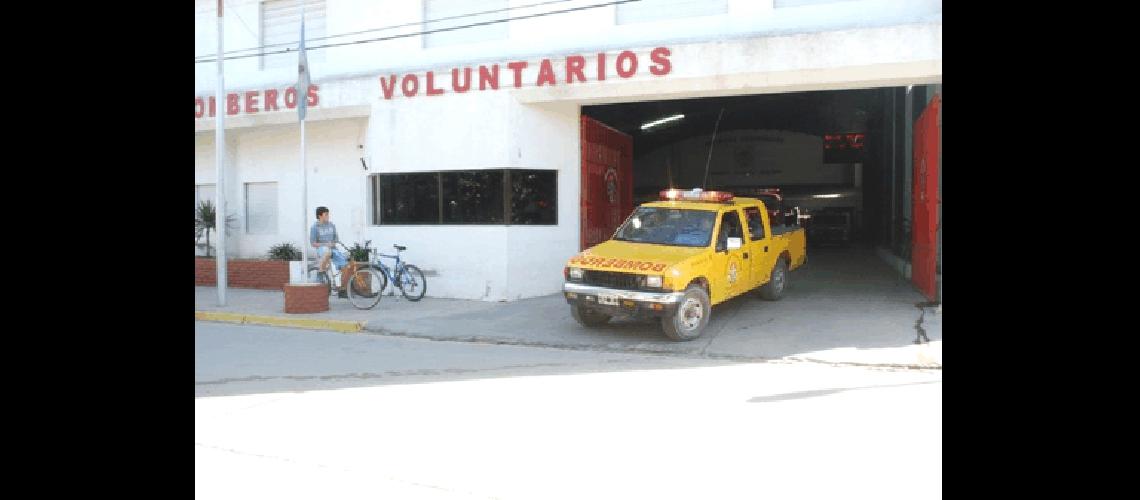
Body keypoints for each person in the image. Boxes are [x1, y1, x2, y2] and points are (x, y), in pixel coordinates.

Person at [310, 206, 348, 290]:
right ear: (320, 216)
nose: (328, 216)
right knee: (328, 251)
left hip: (333, 249)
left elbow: (336, 239)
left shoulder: (331, 225)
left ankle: (342, 288)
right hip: (322, 249)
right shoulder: (315, 227)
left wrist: (333, 243)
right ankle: (320, 272)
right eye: (326, 214)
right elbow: (313, 243)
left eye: (328, 214)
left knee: (346, 265)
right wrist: (326, 244)